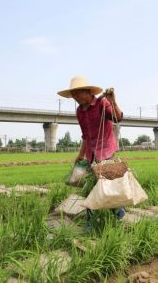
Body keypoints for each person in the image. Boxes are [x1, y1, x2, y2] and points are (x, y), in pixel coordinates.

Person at [57, 75, 125, 219]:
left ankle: (118, 212)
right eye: (73, 94)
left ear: (88, 92)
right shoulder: (80, 111)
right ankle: (92, 216)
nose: (75, 97)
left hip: (106, 149)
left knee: (108, 184)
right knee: (90, 185)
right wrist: (80, 155)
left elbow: (117, 118)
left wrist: (113, 101)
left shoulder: (102, 103)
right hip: (91, 152)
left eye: (78, 93)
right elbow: (85, 135)